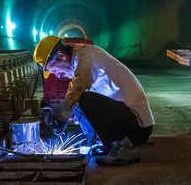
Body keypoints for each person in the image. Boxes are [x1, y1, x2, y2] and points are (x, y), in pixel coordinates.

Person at [33, 36, 155, 166]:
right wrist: (65, 113)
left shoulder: (86, 56)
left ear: (61, 55)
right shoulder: (80, 59)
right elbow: (73, 89)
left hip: (138, 126)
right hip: (128, 120)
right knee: (78, 104)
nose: (57, 75)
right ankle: (107, 144)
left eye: (54, 68)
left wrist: (62, 118)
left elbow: (78, 87)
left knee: (84, 98)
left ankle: (124, 147)